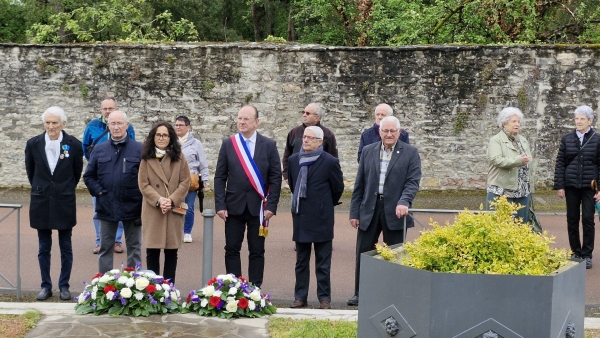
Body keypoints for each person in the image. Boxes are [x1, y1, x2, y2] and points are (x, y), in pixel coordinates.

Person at [348, 116, 421, 306]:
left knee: (395, 254)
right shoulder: (368, 151)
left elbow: (412, 182)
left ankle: (393, 294)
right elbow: (360, 184)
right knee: (364, 253)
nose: (389, 134)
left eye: (393, 131)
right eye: (385, 131)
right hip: (369, 209)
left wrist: (404, 201)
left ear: (399, 132)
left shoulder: (411, 153)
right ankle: (360, 293)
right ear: (379, 131)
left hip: (396, 210)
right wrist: (354, 212)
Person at [214, 105, 282, 287]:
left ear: (256, 122)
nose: (241, 122)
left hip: (259, 207)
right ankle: (235, 288)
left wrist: (271, 206)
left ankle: (254, 290)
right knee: (231, 249)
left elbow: (276, 178)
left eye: (246, 119)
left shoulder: (268, 145)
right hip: (233, 206)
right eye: (239, 118)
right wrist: (220, 205)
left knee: (257, 250)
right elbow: (220, 176)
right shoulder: (229, 144)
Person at [25, 106, 83, 301]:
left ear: (63, 124)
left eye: (54, 123)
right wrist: (44, 189)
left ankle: (64, 285)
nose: (51, 126)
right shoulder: (33, 144)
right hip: (41, 202)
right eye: (47, 123)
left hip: (64, 201)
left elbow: (76, 173)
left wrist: (62, 189)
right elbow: (31, 172)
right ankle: (45, 285)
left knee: (66, 246)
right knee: (43, 247)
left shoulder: (74, 145)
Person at [288, 126, 344, 310]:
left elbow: (337, 188)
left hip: (322, 217)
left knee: (323, 262)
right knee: (301, 261)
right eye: (304, 137)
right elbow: (293, 184)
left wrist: (324, 203)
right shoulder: (293, 160)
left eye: (311, 138)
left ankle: (324, 298)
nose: (306, 140)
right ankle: (300, 297)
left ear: (320, 142)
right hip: (301, 216)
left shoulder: (330, 161)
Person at [83, 111, 143, 274]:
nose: (116, 127)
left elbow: (146, 178)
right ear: (108, 126)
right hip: (106, 207)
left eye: (119, 123)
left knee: (134, 249)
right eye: (113, 124)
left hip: (133, 207)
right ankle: (104, 285)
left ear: (127, 125)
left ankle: (135, 285)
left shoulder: (139, 149)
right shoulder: (99, 149)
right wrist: (100, 192)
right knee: (105, 248)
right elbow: (89, 176)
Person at [138, 122, 191, 283]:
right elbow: (143, 183)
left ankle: (169, 289)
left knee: (171, 252)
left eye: (165, 135)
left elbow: (185, 182)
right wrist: (159, 200)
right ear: (153, 137)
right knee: (152, 252)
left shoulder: (179, 157)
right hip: (154, 209)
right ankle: (153, 289)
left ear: (171, 137)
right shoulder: (147, 157)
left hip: (172, 209)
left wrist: (172, 200)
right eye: (158, 135)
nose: (161, 138)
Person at [554, 105, 600, 269]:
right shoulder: (567, 139)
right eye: (576, 118)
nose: (579, 121)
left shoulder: (597, 139)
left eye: (582, 119)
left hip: (590, 186)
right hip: (571, 185)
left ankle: (587, 254)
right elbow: (560, 163)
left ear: (590, 121)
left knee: (588, 219)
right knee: (572, 219)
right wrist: (560, 185)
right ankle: (576, 252)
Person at [486, 107, 533, 223]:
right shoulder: (496, 140)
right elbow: (497, 160)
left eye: (518, 122)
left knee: (521, 226)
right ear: (504, 124)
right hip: (501, 189)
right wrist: (518, 160)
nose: (517, 124)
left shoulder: (522, 140)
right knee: (498, 226)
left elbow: (528, 161)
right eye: (513, 121)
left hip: (522, 190)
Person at [281, 103, 338, 182]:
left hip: (319, 181)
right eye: (303, 112)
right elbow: (287, 155)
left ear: (316, 117)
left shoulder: (327, 135)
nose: (304, 115)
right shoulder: (294, 132)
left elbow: (333, 158)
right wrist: (287, 175)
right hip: (296, 178)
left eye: (308, 113)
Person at [175, 116, 209, 243]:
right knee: (177, 206)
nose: (178, 127)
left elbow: (203, 163)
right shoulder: (171, 142)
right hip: (174, 180)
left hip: (191, 179)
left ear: (188, 127)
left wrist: (204, 179)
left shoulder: (196, 144)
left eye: (181, 125)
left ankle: (187, 232)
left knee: (188, 207)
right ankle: (178, 230)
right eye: (176, 125)